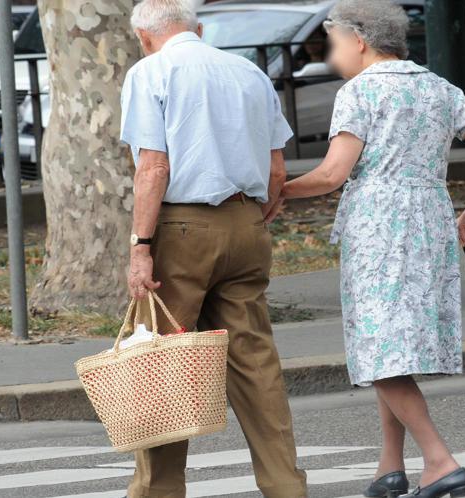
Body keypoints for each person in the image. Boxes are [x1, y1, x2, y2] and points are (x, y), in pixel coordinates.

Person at [277, 0, 465, 497]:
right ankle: (390, 467)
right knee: (391, 348)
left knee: (379, 349)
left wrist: (277, 189)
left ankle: (439, 460)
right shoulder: (434, 86)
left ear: (359, 40)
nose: (331, 52)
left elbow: (331, 174)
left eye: (334, 41)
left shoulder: (358, 92)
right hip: (430, 219)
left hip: (380, 227)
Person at [120, 1, 308, 497]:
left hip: (182, 226)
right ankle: (286, 486)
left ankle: (157, 492)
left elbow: (153, 168)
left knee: (162, 364)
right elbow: (276, 171)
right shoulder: (247, 71)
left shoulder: (150, 71)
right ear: (199, 30)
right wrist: (255, 214)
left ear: (144, 36)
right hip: (245, 221)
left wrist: (141, 246)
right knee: (255, 362)